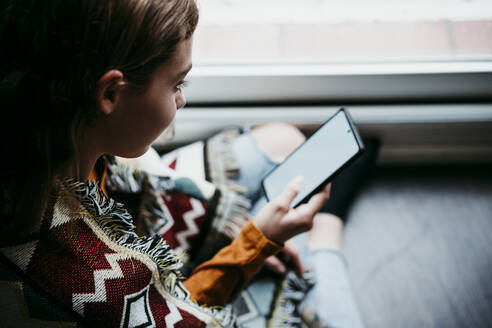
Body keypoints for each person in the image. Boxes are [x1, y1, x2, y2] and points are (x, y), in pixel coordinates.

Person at [0, 0, 375, 327]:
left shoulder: (46, 123)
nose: (181, 101)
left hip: (140, 198)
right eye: (178, 84)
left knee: (284, 140)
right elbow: (181, 316)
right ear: (110, 93)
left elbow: (141, 183)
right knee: (312, 272)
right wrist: (256, 243)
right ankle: (328, 237)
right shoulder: (91, 290)